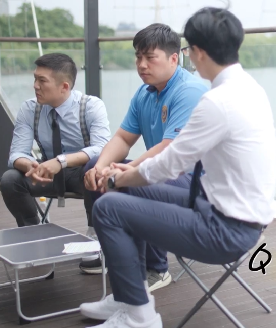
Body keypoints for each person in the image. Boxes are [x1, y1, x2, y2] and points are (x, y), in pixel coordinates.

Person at [78, 7, 276, 328]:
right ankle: (130, 297)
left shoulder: (217, 101)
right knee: (123, 193)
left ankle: (138, 317)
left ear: (196, 52)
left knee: (109, 207)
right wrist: (123, 177)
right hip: (225, 210)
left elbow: (169, 163)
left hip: (226, 229)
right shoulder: (250, 88)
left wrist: (117, 178)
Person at [79, 23, 208, 292]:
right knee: (94, 165)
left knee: (140, 181)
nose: (142, 65)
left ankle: (155, 268)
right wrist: (102, 167)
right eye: (138, 57)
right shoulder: (145, 92)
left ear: (174, 59)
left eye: (150, 57)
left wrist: (125, 173)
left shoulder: (189, 90)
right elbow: (123, 138)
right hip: (163, 171)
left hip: (197, 182)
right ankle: (117, 253)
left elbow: (168, 148)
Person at [0, 53, 110, 227]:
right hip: (46, 173)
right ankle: (30, 230)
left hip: (82, 173)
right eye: (35, 79)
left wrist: (61, 161)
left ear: (64, 86)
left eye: (42, 81)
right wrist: (30, 166)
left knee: (97, 170)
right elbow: (16, 154)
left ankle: (95, 231)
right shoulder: (29, 109)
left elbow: (102, 148)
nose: (35, 86)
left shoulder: (91, 106)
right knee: (10, 179)